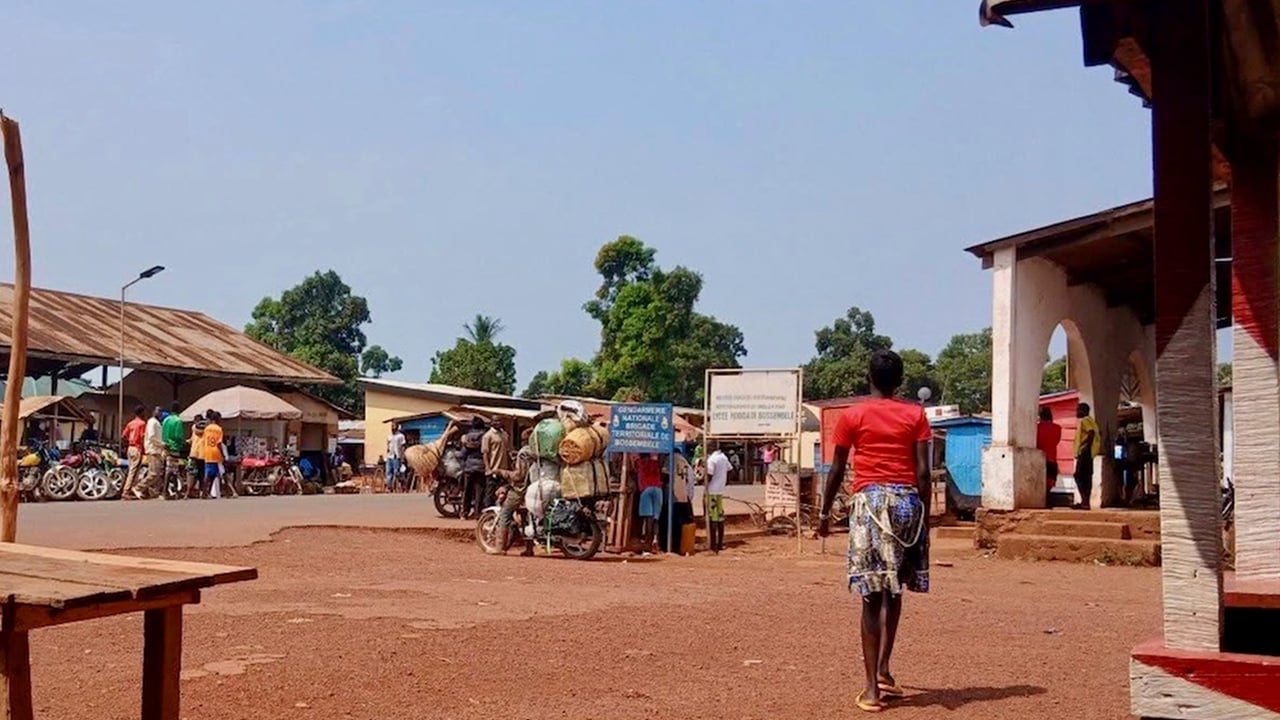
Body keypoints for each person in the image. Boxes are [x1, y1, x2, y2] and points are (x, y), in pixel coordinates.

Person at [818, 349, 932, 713]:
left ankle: (871, 691)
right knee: (893, 590)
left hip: (870, 506)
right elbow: (923, 473)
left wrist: (824, 513)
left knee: (871, 595)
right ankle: (884, 670)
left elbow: (837, 469)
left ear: (869, 378)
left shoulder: (852, 416)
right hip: (906, 505)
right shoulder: (916, 415)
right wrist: (925, 520)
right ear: (900, 381)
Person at [1073, 402, 1101, 510]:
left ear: (1083, 411)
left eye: (1078, 409)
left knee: (1078, 476)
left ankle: (1084, 501)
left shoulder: (1085, 421)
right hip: (1090, 454)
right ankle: (1085, 502)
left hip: (1085, 453)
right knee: (1086, 477)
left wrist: (1084, 447)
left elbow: (1091, 433)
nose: (1076, 412)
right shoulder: (1092, 421)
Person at [634, 453, 664, 555]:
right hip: (658, 489)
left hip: (646, 489)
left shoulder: (639, 463)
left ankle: (648, 543)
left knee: (648, 519)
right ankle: (656, 541)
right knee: (656, 518)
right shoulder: (655, 463)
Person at [705, 443, 731, 553]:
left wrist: (703, 482)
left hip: (712, 491)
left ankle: (713, 544)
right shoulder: (724, 457)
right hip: (720, 491)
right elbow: (730, 470)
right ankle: (720, 543)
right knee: (720, 518)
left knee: (713, 518)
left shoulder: (712, 460)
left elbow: (709, 475)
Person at [461, 416, 487, 519]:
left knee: (467, 491)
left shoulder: (467, 437)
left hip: (469, 467)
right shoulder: (485, 436)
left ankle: (464, 513)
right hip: (481, 467)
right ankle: (477, 513)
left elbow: (463, 454)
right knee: (479, 491)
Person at [482, 419, 512, 506]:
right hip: (493, 469)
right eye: (495, 421)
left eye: (499, 421)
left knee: (503, 493)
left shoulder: (504, 434)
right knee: (490, 494)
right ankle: (488, 511)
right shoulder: (488, 436)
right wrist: (488, 469)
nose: (497, 423)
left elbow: (508, 451)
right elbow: (485, 454)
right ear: (491, 422)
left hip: (504, 470)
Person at [121, 405, 148, 500]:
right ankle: (126, 491)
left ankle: (130, 489)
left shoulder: (130, 423)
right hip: (137, 448)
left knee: (131, 470)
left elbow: (124, 436)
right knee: (134, 471)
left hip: (130, 448)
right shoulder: (142, 424)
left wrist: (127, 443)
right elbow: (143, 437)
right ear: (141, 413)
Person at [1036, 407, 1062, 501]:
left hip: (1038, 458)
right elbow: (1056, 441)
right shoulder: (1057, 428)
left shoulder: (1036, 427)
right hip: (1052, 458)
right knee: (1050, 481)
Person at [161, 402, 185, 490]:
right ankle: (165, 490)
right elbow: (178, 436)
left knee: (172, 469)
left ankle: (175, 490)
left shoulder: (166, 420)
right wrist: (183, 442)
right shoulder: (178, 421)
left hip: (165, 446)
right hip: (174, 447)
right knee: (171, 469)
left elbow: (162, 433)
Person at [203, 411, 225, 499]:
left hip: (207, 452)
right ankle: (205, 493)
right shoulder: (219, 429)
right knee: (211, 474)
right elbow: (219, 443)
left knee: (210, 473)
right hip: (215, 453)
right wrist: (222, 454)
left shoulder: (207, 428)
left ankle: (206, 492)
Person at [188, 414, 207, 498]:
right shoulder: (206, 429)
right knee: (202, 474)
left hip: (194, 453)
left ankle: (188, 492)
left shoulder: (194, 428)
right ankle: (201, 492)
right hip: (203, 453)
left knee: (193, 474)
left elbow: (192, 440)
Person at [385, 424, 406, 493]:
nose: (392, 428)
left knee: (396, 472)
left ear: (397, 428)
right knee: (388, 472)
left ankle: (400, 484)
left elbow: (403, 447)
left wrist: (402, 457)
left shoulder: (401, 436)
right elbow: (388, 445)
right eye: (392, 427)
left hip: (397, 456)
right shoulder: (389, 436)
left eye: (394, 427)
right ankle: (389, 487)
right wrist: (387, 451)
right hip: (389, 456)